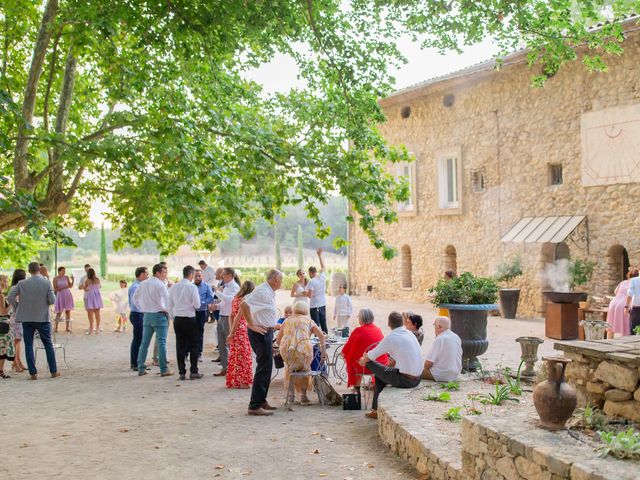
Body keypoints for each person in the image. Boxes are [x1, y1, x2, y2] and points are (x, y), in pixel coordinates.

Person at [358, 311, 423, 419]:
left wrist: (363, 359)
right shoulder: (409, 333)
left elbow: (371, 356)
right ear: (402, 323)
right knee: (380, 376)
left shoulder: (391, 338)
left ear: (389, 324)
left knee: (368, 362)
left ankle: (376, 411)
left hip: (407, 380)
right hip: (418, 377)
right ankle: (375, 410)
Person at [239, 269, 283, 416]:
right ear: (275, 279)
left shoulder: (268, 291)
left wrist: (274, 325)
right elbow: (244, 305)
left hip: (266, 331)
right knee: (263, 367)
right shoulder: (262, 291)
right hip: (260, 333)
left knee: (267, 367)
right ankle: (254, 405)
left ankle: (261, 399)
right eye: (281, 279)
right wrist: (251, 324)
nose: (282, 282)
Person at [7, 261, 58, 380]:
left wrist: (17, 308)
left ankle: (33, 373)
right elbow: (52, 301)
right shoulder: (46, 283)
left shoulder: (21, 283)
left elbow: (10, 297)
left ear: (29, 271)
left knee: (28, 345)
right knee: (48, 344)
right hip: (42, 318)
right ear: (39, 270)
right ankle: (53, 371)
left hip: (26, 318)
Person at [276, 301, 326, 405]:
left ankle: (291, 395)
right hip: (304, 351)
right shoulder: (309, 320)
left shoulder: (287, 320)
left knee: (290, 368)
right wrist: (323, 353)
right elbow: (321, 336)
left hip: (287, 352)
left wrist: (284, 347)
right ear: (305, 310)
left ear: (295, 309)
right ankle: (303, 396)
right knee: (305, 369)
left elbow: (278, 340)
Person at [134, 263, 173, 377]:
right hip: (159, 315)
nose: (166, 275)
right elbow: (167, 301)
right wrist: (168, 312)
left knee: (144, 343)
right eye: (164, 272)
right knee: (161, 342)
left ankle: (141, 367)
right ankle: (163, 368)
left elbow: (135, 298)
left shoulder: (143, 283)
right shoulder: (160, 285)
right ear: (158, 272)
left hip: (147, 315)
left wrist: (141, 308)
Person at [340, 308, 388, 390]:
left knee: (354, 361)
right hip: (380, 364)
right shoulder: (378, 329)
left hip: (365, 366)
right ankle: (373, 383)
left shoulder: (358, 330)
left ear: (361, 318)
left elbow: (346, 350)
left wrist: (345, 356)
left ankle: (356, 388)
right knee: (360, 358)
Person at [168, 265, 202, 380]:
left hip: (178, 319)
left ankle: (181, 372)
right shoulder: (192, 288)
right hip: (190, 318)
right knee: (194, 345)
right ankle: (193, 371)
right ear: (191, 275)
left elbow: (170, 305)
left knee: (180, 345)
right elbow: (197, 305)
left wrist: (173, 317)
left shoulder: (174, 287)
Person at [226, 280, 255, 389]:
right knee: (244, 355)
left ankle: (233, 380)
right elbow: (239, 316)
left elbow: (231, 316)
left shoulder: (235, 299)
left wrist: (231, 331)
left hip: (235, 328)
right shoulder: (245, 300)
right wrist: (232, 332)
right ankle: (243, 381)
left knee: (235, 355)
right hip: (242, 328)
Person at [212, 267, 240, 376]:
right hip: (221, 316)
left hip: (229, 318)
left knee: (230, 343)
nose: (221, 277)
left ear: (230, 275)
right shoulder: (225, 286)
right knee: (221, 343)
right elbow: (224, 303)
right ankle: (225, 367)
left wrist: (217, 292)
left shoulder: (235, 287)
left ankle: (234, 368)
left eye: (223, 275)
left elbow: (231, 300)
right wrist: (217, 306)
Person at [421, 316, 462, 381]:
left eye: (435, 326)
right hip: (455, 374)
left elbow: (428, 364)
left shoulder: (440, 338)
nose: (434, 329)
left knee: (413, 370)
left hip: (442, 375)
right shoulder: (456, 336)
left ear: (439, 326)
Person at [128, 267, 148, 370]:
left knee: (140, 339)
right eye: (146, 274)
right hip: (137, 314)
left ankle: (139, 362)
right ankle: (135, 363)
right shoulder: (135, 287)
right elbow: (136, 303)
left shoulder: (139, 285)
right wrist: (145, 310)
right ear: (141, 274)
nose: (148, 276)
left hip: (139, 314)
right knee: (138, 339)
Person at [609, 270, 638, 337]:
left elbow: (615, 292)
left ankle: (608, 341)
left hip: (613, 303)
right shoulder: (635, 283)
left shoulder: (623, 282)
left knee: (611, 326)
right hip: (624, 304)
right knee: (626, 326)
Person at [194, 269, 215, 360]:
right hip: (191, 312)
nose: (198, 278)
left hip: (202, 312)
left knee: (199, 332)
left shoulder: (207, 286)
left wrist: (201, 302)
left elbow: (210, 298)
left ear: (202, 276)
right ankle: (188, 353)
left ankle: (199, 353)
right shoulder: (190, 286)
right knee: (190, 332)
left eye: (199, 276)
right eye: (196, 276)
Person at [9, 269, 27, 372]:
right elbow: (10, 299)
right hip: (16, 316)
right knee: (15, 340)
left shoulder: (19, 286)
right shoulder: (15, 287)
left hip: (19, 316)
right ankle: (15, 363)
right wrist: (17, 308)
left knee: (18, 339)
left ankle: (18, 361)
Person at [307, 248, 328, 334]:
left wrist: (304, 293)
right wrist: (319, 256)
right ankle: (326, 341)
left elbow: (310, 295)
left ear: (311, 273)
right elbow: (323, 267)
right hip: (322, 304)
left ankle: (317, 343)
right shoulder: (322, 277)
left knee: (315, 325)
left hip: (314, 306)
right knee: (323, 323)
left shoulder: (311, 281)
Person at [0, 275, 15, 379]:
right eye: (5, 281)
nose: (7, 283)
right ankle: (1, 371)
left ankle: (1, 371)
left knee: (2, 348)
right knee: (3, 348)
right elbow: (3, 311)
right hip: (2, 323)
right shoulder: (0, 295)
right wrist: (12, 302)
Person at [53, 266, 74, 333]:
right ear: (59, 271)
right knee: (59, 312)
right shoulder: (55, 279)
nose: (64, 272)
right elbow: (55, 289)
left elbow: (70, 286)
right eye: (62, 270)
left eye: (64, 271)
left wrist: (73, 280)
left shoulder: (66, 277)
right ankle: (56, 327)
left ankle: (67, 327)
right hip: (60, 295)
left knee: (68, 311)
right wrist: (63, 287)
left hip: (67, 294)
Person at [83, 268, 104, 334]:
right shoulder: (97, 280)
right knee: (97, 314)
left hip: (90, 297)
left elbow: (85, 289)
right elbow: (100, 287)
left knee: (90, 314)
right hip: (97, 297)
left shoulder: (87, 281)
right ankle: (97, 328)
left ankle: (91, 329)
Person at [625, 271, 640, 335]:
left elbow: (630, 294)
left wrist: (626, 306)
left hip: (636, 308)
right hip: (635, 307)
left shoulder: (633, 280)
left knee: (633, 331)